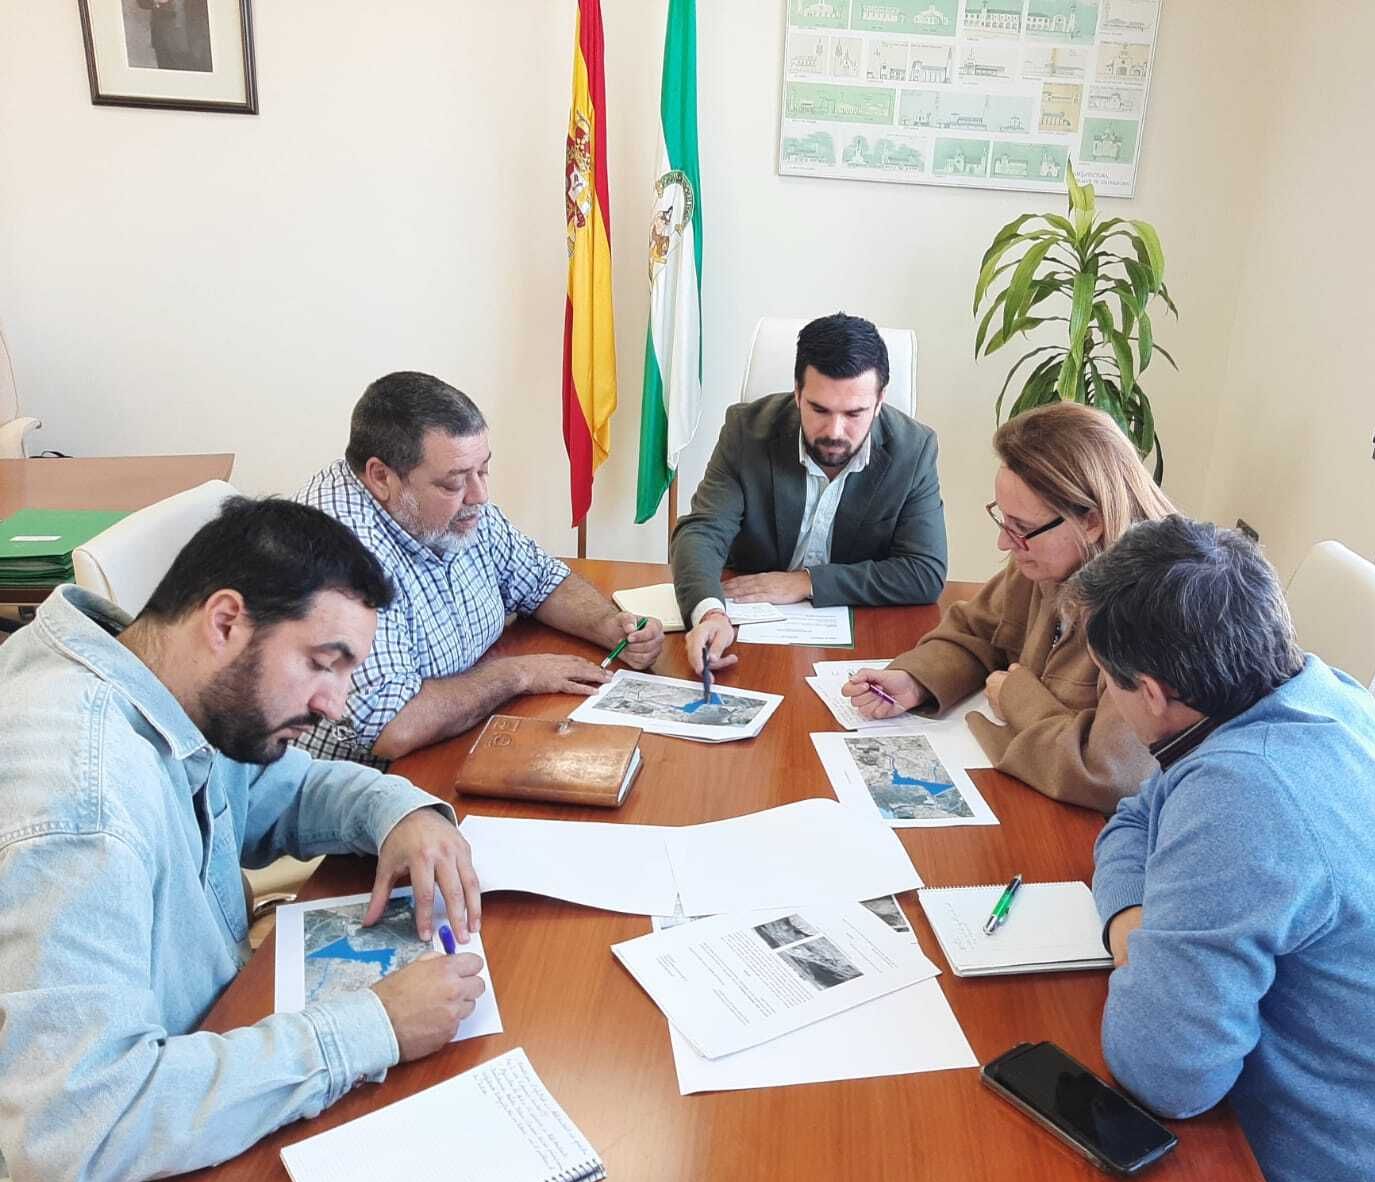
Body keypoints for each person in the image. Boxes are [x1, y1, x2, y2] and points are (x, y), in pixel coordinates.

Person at [0, 498, 488, 1182]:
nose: (337, 706)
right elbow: (78, 1134)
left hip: (210, 1046)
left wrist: (401, 811)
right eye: (325, 664)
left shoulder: (163, 680)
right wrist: (371, 1027)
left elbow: (282, 793)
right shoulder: (83, 803)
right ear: (225, 622)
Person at [1072, 515, 1375, 1182]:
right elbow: (1137, 818)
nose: (1104, 695)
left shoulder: (1243, 792)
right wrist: (1132, 923)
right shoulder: (1322, 695)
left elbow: (1166, 1075)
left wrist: (1139, 944)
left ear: (1154, 693)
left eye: (1107, 681)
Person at [297, 371, 664, 765]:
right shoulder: (336, 555)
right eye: (454, 483)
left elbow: (540, 580)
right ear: (381, 477)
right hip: (354, 785)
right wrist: (517, 676)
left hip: (458, 740)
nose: (479, 495)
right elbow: (393, 725)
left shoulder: (455, 505)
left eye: (483, 470)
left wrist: (611, 626)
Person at [844, 402, 1174, 811]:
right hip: (1032, 798)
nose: (1005, 543)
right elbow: (976, 631)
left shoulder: (1156, 608)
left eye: (1021, 529)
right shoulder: (1048, 560)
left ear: (1091, 520)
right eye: (1005, 521)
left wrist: (1017, 696)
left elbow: (1109, 773)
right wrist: (915, 681)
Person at [675, 312, 948, 675]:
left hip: (862, 646)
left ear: (880, 400)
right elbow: (701, 532)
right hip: (751, 634)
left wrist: (806, 582)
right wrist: (709, 612)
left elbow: (924, 572)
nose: (835, 430)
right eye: (819, 409)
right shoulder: (746, 430)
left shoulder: (914, 450)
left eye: (855, 413)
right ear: (798, 393)